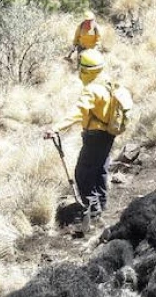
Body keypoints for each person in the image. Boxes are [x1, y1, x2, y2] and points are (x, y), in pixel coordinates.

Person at [44, 49, 133, 219]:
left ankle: (93, 210)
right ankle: (101, 203)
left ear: (85, 70)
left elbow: (79, 111)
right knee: (100, 169)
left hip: (94, 137)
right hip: (108, 133)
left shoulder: (91, 90)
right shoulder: (108, 84)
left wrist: (57, 127)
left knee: (83, 173)